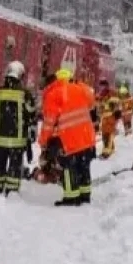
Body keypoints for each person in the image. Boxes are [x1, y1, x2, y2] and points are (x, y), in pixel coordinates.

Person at [38, 68, 96, 206]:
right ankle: (85, 195)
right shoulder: (80, 89)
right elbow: (91, 102)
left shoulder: (54, 94)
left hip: (69, 140)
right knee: (84, 167)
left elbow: (49, 122)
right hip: (86, 137)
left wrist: (43, 141)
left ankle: (71, 198)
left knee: (69, 169)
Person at [0, 60, 37, 195]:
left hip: (0, 139)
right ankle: (11, 191)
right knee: (14, 166)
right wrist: (31, 137)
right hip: (17, 141)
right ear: (20, 76)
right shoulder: (25, 95)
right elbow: (32, 116)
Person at [97, 79, 121, 158]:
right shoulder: (100, 95)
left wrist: (117, 112)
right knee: (104, 135)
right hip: (104, 117)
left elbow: (117, 103)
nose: (101, 88)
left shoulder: (111, 94)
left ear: (106, 86)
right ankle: (111, 149)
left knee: (108, 134)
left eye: (103, 86)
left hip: (111, 116)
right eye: (100, 86)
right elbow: (98, 105)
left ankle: (106, 152)